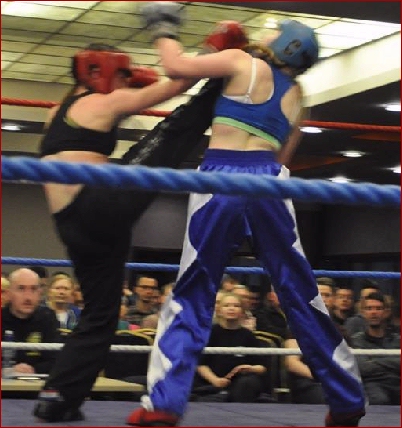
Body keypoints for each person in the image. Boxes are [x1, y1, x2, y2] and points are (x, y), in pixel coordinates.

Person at [127, 4, 366, 427]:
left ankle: (164, 403)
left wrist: (163, 25)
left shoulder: (242, 62)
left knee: (193, 290)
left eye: (275, 31)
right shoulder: (299, 98)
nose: (266, 33)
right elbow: (283, 159)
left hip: (222, 176)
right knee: (301, 292)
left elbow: (176, 67)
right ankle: (346, 399)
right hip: (272, 183)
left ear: (286, 44)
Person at [33, 21, 248, 422]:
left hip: (71, 224)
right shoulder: (101, 103)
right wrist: (212, 54)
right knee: (171, 131)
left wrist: (130, 81)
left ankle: (58, 396)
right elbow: (176, 84)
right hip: (97, 206)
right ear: (99, 71)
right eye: (120, 73)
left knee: (100, 315)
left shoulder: (54, 113)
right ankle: (220, 78)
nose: (123, 81)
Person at [1, 268, 59, 375]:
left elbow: (57, 360)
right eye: (21, 289)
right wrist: (6, 371)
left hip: (38, 382)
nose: (28, 297)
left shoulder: (48, 317)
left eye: (33, 289)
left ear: (40, 293)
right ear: (9, 293)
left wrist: (34, 370)